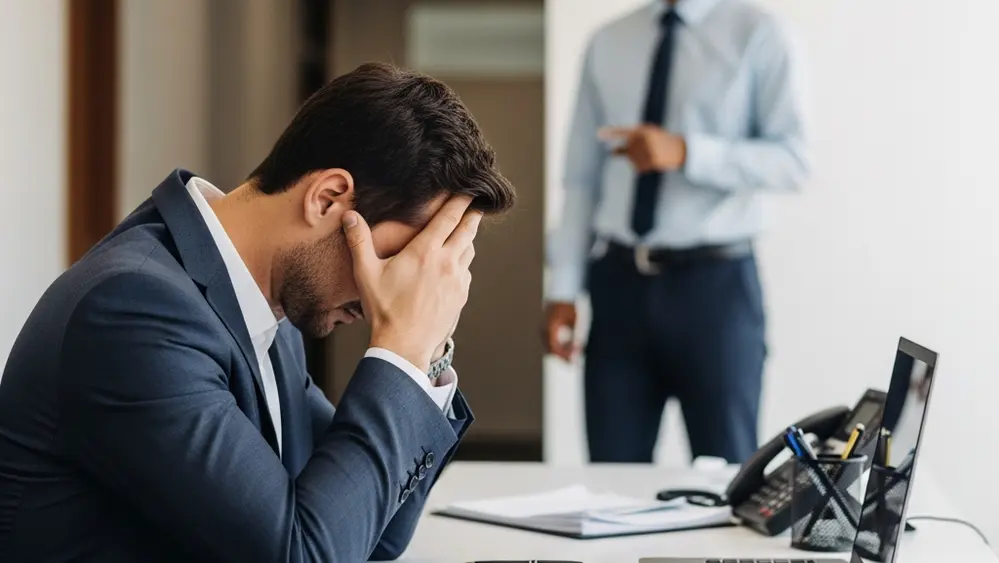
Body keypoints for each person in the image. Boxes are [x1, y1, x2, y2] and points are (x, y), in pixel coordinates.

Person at [0, 63, 515, 562]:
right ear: (329, 198)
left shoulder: (262, 306)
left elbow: (372, 534)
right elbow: (305, 555)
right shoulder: (135, 312)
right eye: (403, 258)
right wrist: (400, 347)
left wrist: (424, 352)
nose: (400, 287)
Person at [545, 0, 810, 464]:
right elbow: (581, 178)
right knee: (612, 480)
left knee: (728, 479)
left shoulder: (760, 35)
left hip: (717, 290)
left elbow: (793, 161)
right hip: (618, 284)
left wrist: (689, 152)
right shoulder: (609, 41)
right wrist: (563, 287)